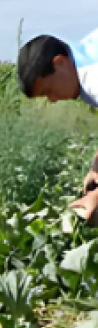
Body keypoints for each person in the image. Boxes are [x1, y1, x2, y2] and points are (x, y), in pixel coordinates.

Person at [18, 35, 98, 221]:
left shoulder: (92, 78)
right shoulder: (83, 54)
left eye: (48, 90)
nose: (53, 100)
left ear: (60, 62)